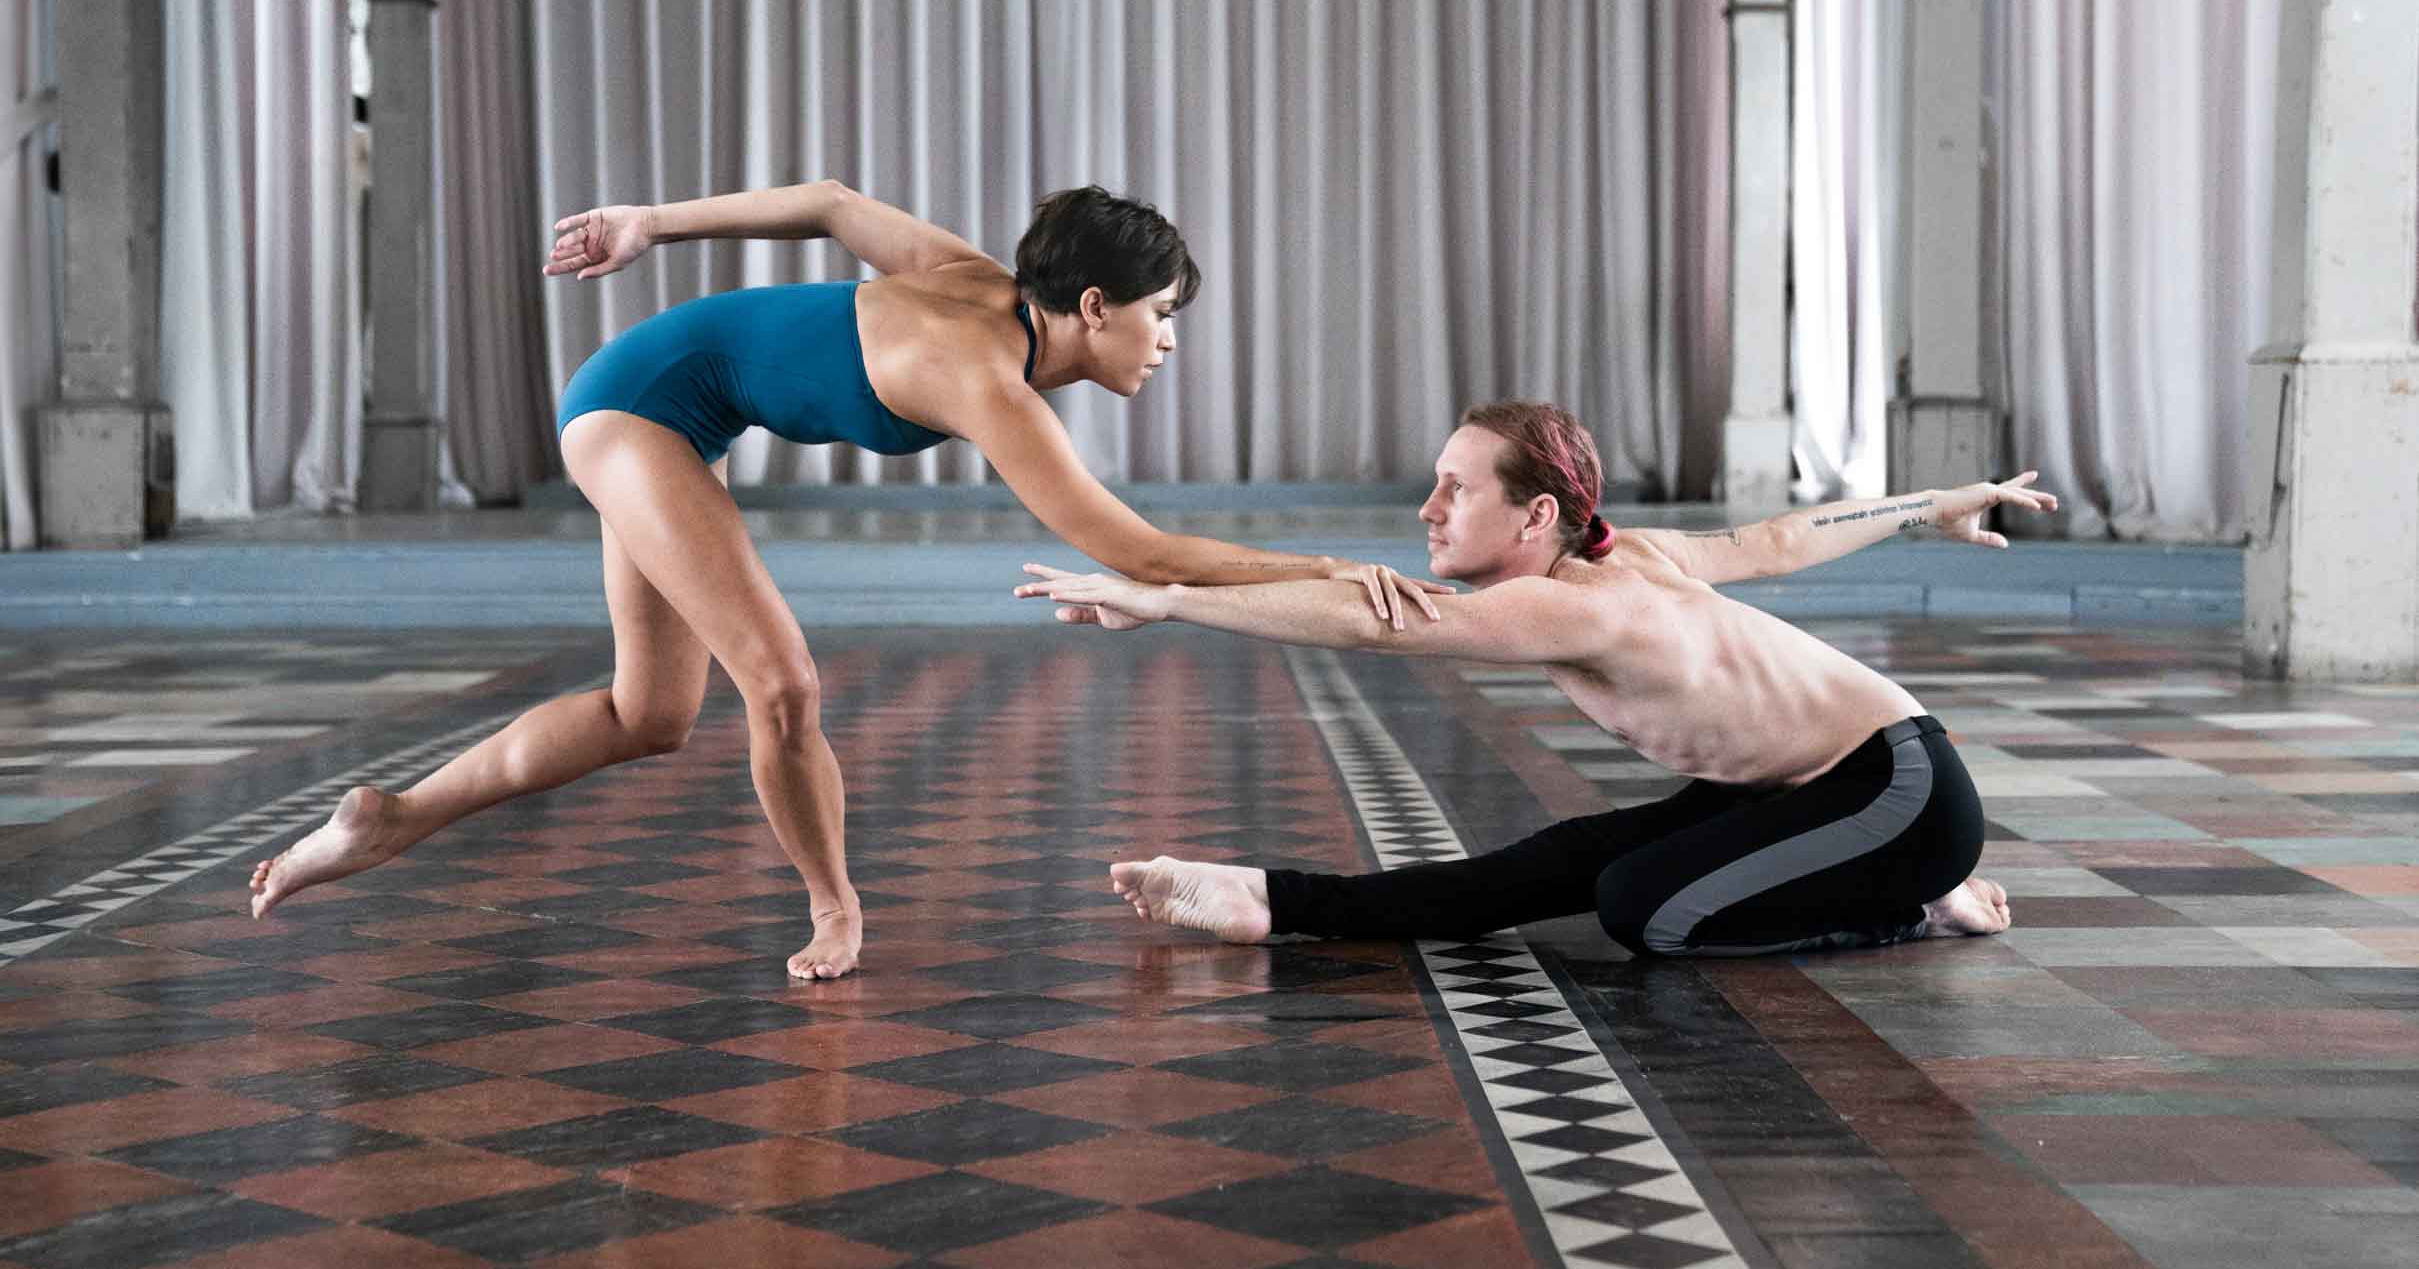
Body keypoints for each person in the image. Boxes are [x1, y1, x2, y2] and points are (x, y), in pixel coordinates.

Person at [248, 182, 1442, 978]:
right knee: (780, 685)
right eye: (1162, 314)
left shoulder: (981, 284)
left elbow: (826, 200)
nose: (1171, 338)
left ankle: (389, 816)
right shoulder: (985, 376)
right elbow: (1138, 552)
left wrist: (650, 226)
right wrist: (1331, 563)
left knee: (646, 714)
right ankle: (833, 906)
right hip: (629, 412)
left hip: (663, 407)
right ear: (1093, 307)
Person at [1017, 400, 2056, 957]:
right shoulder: (1619, 556)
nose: (1429, 508)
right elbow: (1777, 537)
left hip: (1901, 794)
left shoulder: (1569, 601)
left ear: (1535, 517)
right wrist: (1928, 505)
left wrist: (1165, 601)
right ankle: (1270, 902)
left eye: (1454, 490)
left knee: (1647, 909)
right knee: (1554, 861)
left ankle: (1915, 907)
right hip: (1806, 786)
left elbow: (1364, 629)